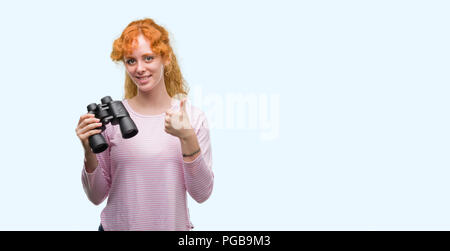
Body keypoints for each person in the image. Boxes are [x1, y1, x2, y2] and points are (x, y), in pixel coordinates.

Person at [75, 18, 214, 231]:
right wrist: (88, 151)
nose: (139, 69)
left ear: (165, 58)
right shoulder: (113, 121)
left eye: (148, 58)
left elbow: (202, 194)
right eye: (131, 61)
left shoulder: (192, 118)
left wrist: (187, 137)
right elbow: (95, 197)